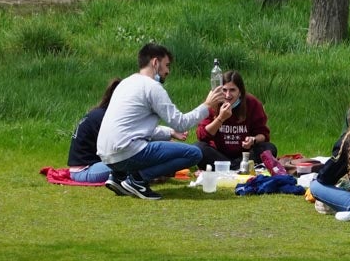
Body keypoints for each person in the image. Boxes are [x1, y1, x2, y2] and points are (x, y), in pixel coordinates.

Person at [97, 43, 223, 199]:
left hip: (106, 155)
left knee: (150, 147)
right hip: (127, 151)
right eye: (166, 65)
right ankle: (138, 179)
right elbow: (181, 123)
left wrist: (169, 132)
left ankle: (118, 176)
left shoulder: (125, 83)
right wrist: (207, 105)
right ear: (155, 63)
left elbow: (133, 128)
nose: (168, 71)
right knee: (194, 154)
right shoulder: (152, 87)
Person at [195, 69, 277, 169]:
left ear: (240, 92)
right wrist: (220, 118)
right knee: (198, 148)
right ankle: (237, 168)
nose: (228, 95)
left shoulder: (252, 103)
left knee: (269, 148)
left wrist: (253, 140)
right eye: (224, 90)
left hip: (244, 155)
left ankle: (232, 167)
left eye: (232, 90)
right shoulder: (213, 103)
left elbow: (264, 135)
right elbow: (202, 136)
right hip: (219, 154)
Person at [66, 78, 121, 183]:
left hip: (80, 169)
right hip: (85, 170)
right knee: (130, 162)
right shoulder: (105, 118)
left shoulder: (99, 113)